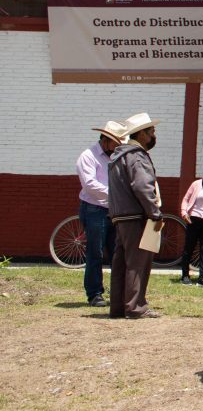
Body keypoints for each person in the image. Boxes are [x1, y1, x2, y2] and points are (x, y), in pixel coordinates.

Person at [107, 113, 163, 319]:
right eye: (151, 132)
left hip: (121, 216)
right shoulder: (136, 156)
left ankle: (118, 307)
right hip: (136, 216)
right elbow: (142, 186)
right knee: (138, 263)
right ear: (141, 134)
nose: (154, 135)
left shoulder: (118, 156)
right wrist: (154, 212)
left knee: (121, 263)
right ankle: (135, 307)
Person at [77, 120, 127, 307]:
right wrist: (116, 194)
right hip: (94, 209)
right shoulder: (88, 156)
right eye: (116, 143)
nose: (118, 147)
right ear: (105, 140)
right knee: (95, 252)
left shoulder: (116, 156)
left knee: (117, 253)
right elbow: (89, 185)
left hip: (114, 209)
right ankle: (95, 294)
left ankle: (118, 293)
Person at [179, 178, 203, 287]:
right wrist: (184, 212)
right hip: (194, 219)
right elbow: (186, 199)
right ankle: (185, 276)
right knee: (189, 247)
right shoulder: (197, 183)